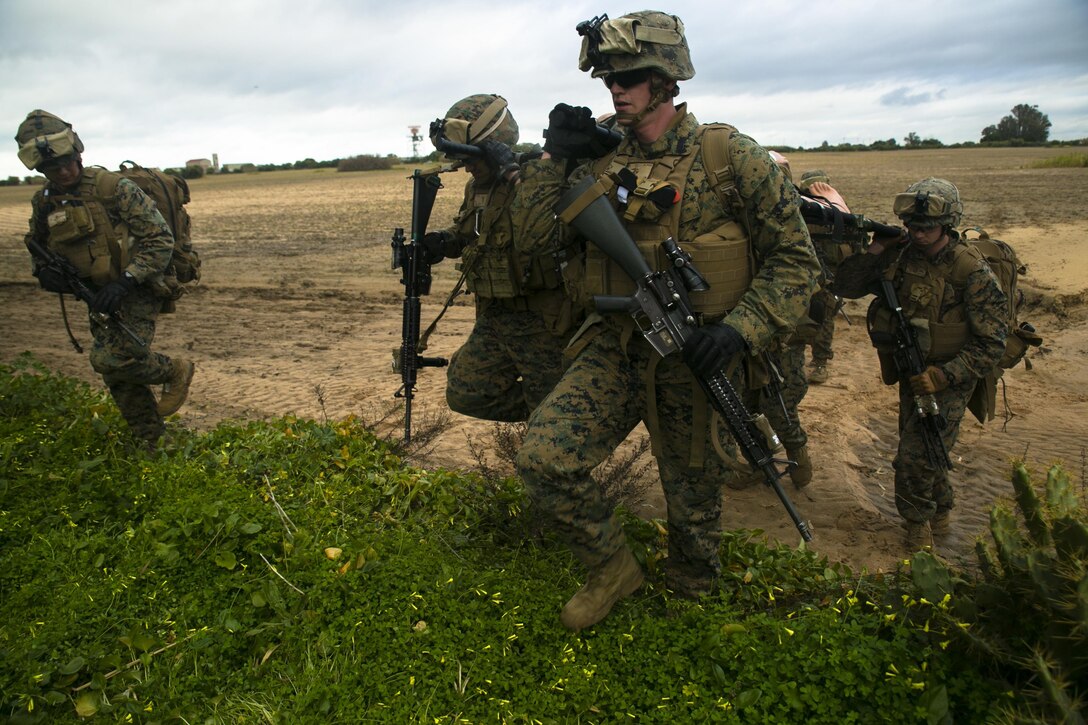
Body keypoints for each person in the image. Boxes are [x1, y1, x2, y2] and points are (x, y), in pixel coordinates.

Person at [511, 12, 820, 629]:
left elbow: (797, 264)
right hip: (616, 346)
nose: (615, 91)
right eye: (608, 80)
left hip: (696, 358)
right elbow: (529, 249)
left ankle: (691, 606)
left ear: (666, 81)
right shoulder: (600, 161)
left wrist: (738, 330)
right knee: (543, 456)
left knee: (693, 505)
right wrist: (552, 159)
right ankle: (613, 567)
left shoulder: (731, 158)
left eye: (628, 77)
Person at [834, 178, 1008, 549]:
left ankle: (916, 530)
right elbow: (844, 286)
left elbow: (993, 342)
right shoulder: (899, 254)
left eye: (926, 227)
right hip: (910, 369)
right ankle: (941, 510)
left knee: (913, 457)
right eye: (912, 226)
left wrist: (945, 376)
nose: (918, 233)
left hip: (951, 374)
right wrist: (876, 250)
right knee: (927, 445)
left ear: (947, 225)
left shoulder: (971, 272)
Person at [16, 110, 194, 450]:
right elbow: (36, 245)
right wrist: (46, 273)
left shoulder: (115, 189)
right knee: (117, 375)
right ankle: (152, 442)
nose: (64, 171)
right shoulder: (44, 201)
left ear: (79, 155)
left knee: (113, 358)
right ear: (42, 170)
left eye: (69, 163)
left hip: (140, 284)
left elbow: (159, 240)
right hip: (96, 293)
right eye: (55, 168)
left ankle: (174, 370)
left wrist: (126, 280)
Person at [422, 94, 580, 422]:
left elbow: (542, 224)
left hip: (543, 322)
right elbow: (471, 231)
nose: (467, 166)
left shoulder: (540, 176)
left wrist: (512, 171)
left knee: (548, 417)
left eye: (472, 157)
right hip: (494, 317)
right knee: (466, 390)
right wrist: (442, 242)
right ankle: (557, 413)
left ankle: (559, 416)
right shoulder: (477, 188)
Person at [795, 169, 867, 385]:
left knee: (824, 319)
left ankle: (820, 362)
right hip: (803, 277)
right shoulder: (801, 214)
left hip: (828, 280)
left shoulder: (840, 215)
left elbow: (857, 250)